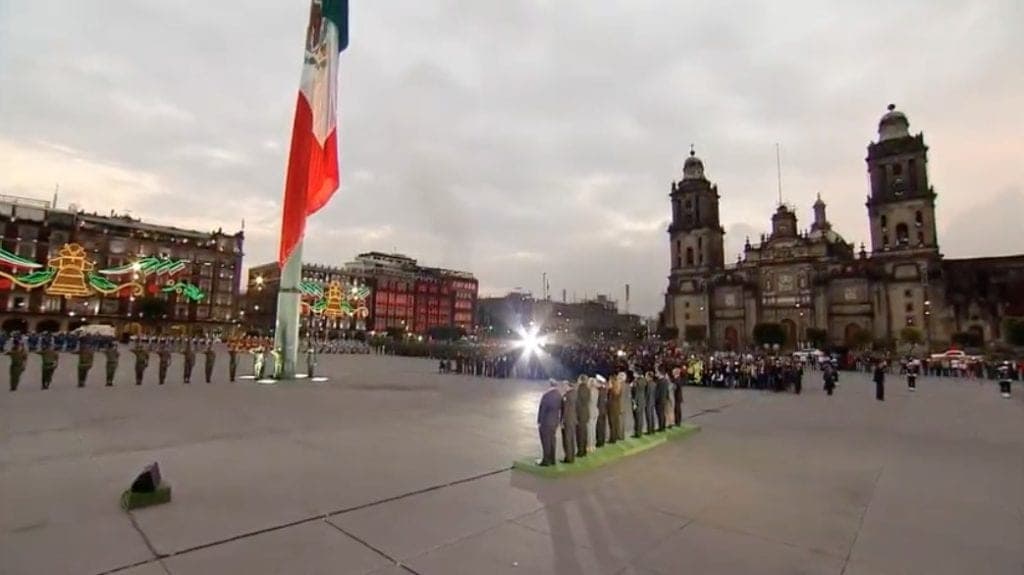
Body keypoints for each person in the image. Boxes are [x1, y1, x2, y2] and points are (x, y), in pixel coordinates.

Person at [537, 380, 563, 466]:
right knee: (552, 440)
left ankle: (546, 460)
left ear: (549, 385)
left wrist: (539, 421)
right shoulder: (559, 395)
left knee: (546, 441)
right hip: (555, 421)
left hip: (546, 422)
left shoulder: (546, 395)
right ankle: (552, 459)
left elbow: (542, 409)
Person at [560, 379, 578, 464]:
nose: (563, 387)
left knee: (567, 439)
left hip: (567, 420)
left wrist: (562, 421)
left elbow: (566, 410)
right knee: (571, 438)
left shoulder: (567, 396)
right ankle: (572, 456)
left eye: (564, 385)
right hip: (573, 419)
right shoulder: (575, 393)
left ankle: (568, 458)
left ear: (568, 386)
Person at [575, 375, 591, 457]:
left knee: (580, 434)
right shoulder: (587, 389)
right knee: (584, 432)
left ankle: (580, 451)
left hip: (580, 414)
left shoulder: (580, 389)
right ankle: (584, 450)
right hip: (585, 413)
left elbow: (578, 403)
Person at [631, 370, 647, 438]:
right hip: (642, 400)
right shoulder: (644, 380)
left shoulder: (636, 382)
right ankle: (640, 431)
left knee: (637, 417)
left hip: (637, 401)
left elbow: (636, 393)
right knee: (640, 417)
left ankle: (637, 432)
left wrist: (635, 403)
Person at [607, 373, 623, 444]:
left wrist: (609, 388)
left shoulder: (612, 389)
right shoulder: (618, 387)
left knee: (612, 423)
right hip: (617, 407)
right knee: (616, 423)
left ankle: (612, 439)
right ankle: (615, 436)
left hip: (612, 408)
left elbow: (610, 399)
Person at [594, 375, 609, 448]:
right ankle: (602, 440)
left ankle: (599, 442)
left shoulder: (599, 391)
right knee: (603, 426)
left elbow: (597, 402)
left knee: (599, 427)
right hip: (604, 410)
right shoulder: (604, 390)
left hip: (599, 410)